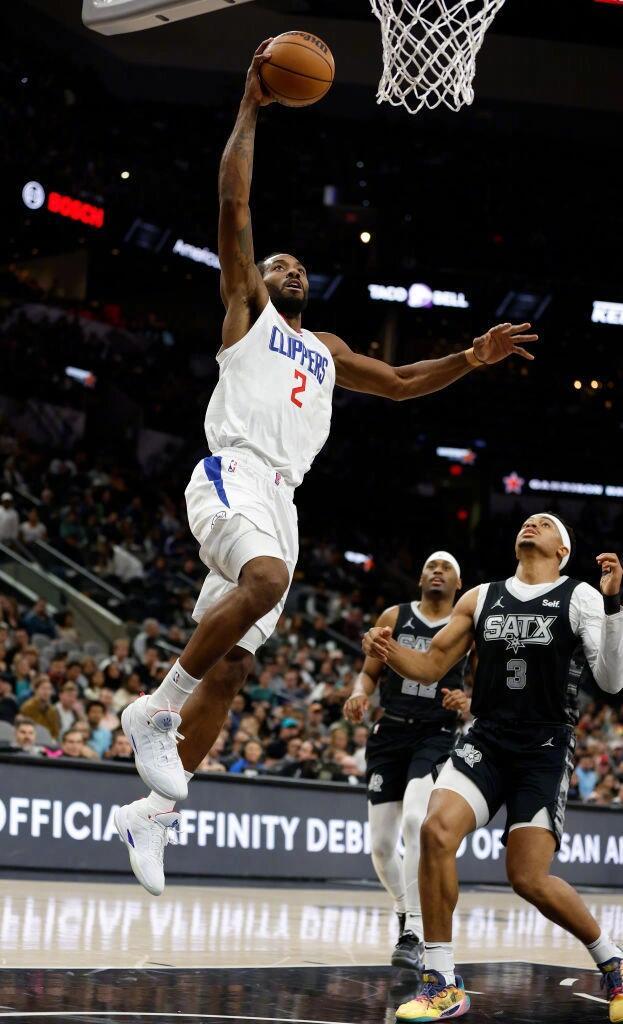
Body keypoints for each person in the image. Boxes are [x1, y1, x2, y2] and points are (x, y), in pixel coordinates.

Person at [114, 39, 537, 896]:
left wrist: (470, 358)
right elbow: (234, 202)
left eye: (299, 267)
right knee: (265, 581)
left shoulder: (328, 349)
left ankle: (150, 814)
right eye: (280, 263)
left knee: (236, 666)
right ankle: (154, 708)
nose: (291, 269)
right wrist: (249, 103)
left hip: (285, 500)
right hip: (234, 471)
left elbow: (404, 382)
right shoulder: (247, 309)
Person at [363, 515, 623, 1022]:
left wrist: (613, 605)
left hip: (544, 746)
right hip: (486, 738)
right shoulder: (481, 597)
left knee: (527, 877)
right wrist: (387, 651)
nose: (532, 525)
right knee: (435, 830)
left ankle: (612, 961)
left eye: (544, 523)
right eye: (527, 521)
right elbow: (430, 666)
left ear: (563, 551)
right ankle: (441, 980)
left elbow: (612, 681)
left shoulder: (580, 596)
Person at [344, 552, 469, 970]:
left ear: (458, 583)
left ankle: (414, 928)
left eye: (446, 568)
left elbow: (484, 684)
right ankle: (403, 907)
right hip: (390, 733)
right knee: (381, 847)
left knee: (417, 818)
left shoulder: (464, 625)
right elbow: (369, 673)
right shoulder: (394, 616)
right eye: (431, 566)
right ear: (420, 578)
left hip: (435, 734)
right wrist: (358, 692)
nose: (437, 571)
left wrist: (468, 701)